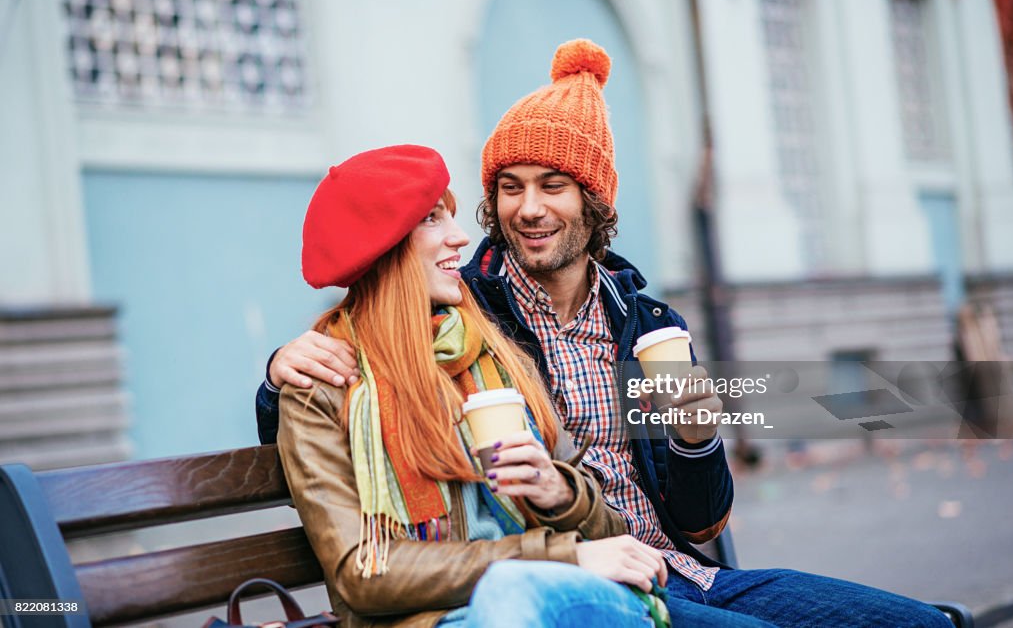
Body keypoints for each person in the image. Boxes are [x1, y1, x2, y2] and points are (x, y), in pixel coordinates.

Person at [261, 42, 951, 627]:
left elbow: (702, 521)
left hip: (677, 566)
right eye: (509, 187)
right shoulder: (472, 314)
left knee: (924, 621)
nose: (526, 209)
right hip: (584, 584)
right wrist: (278, 369)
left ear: (595, 203)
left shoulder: (645, 322)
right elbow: (349, 376)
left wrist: (694, 437)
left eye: (553, 185)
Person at [276, 143, 672, 628]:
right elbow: (363, 571)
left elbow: (608, 529)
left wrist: (559, 491)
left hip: (560, 600)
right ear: (384, 248)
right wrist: (553, 557)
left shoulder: (492, 353)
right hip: (441, 619)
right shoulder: (326, 385)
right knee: (511, 592)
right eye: (432, 220)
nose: (461, 238)